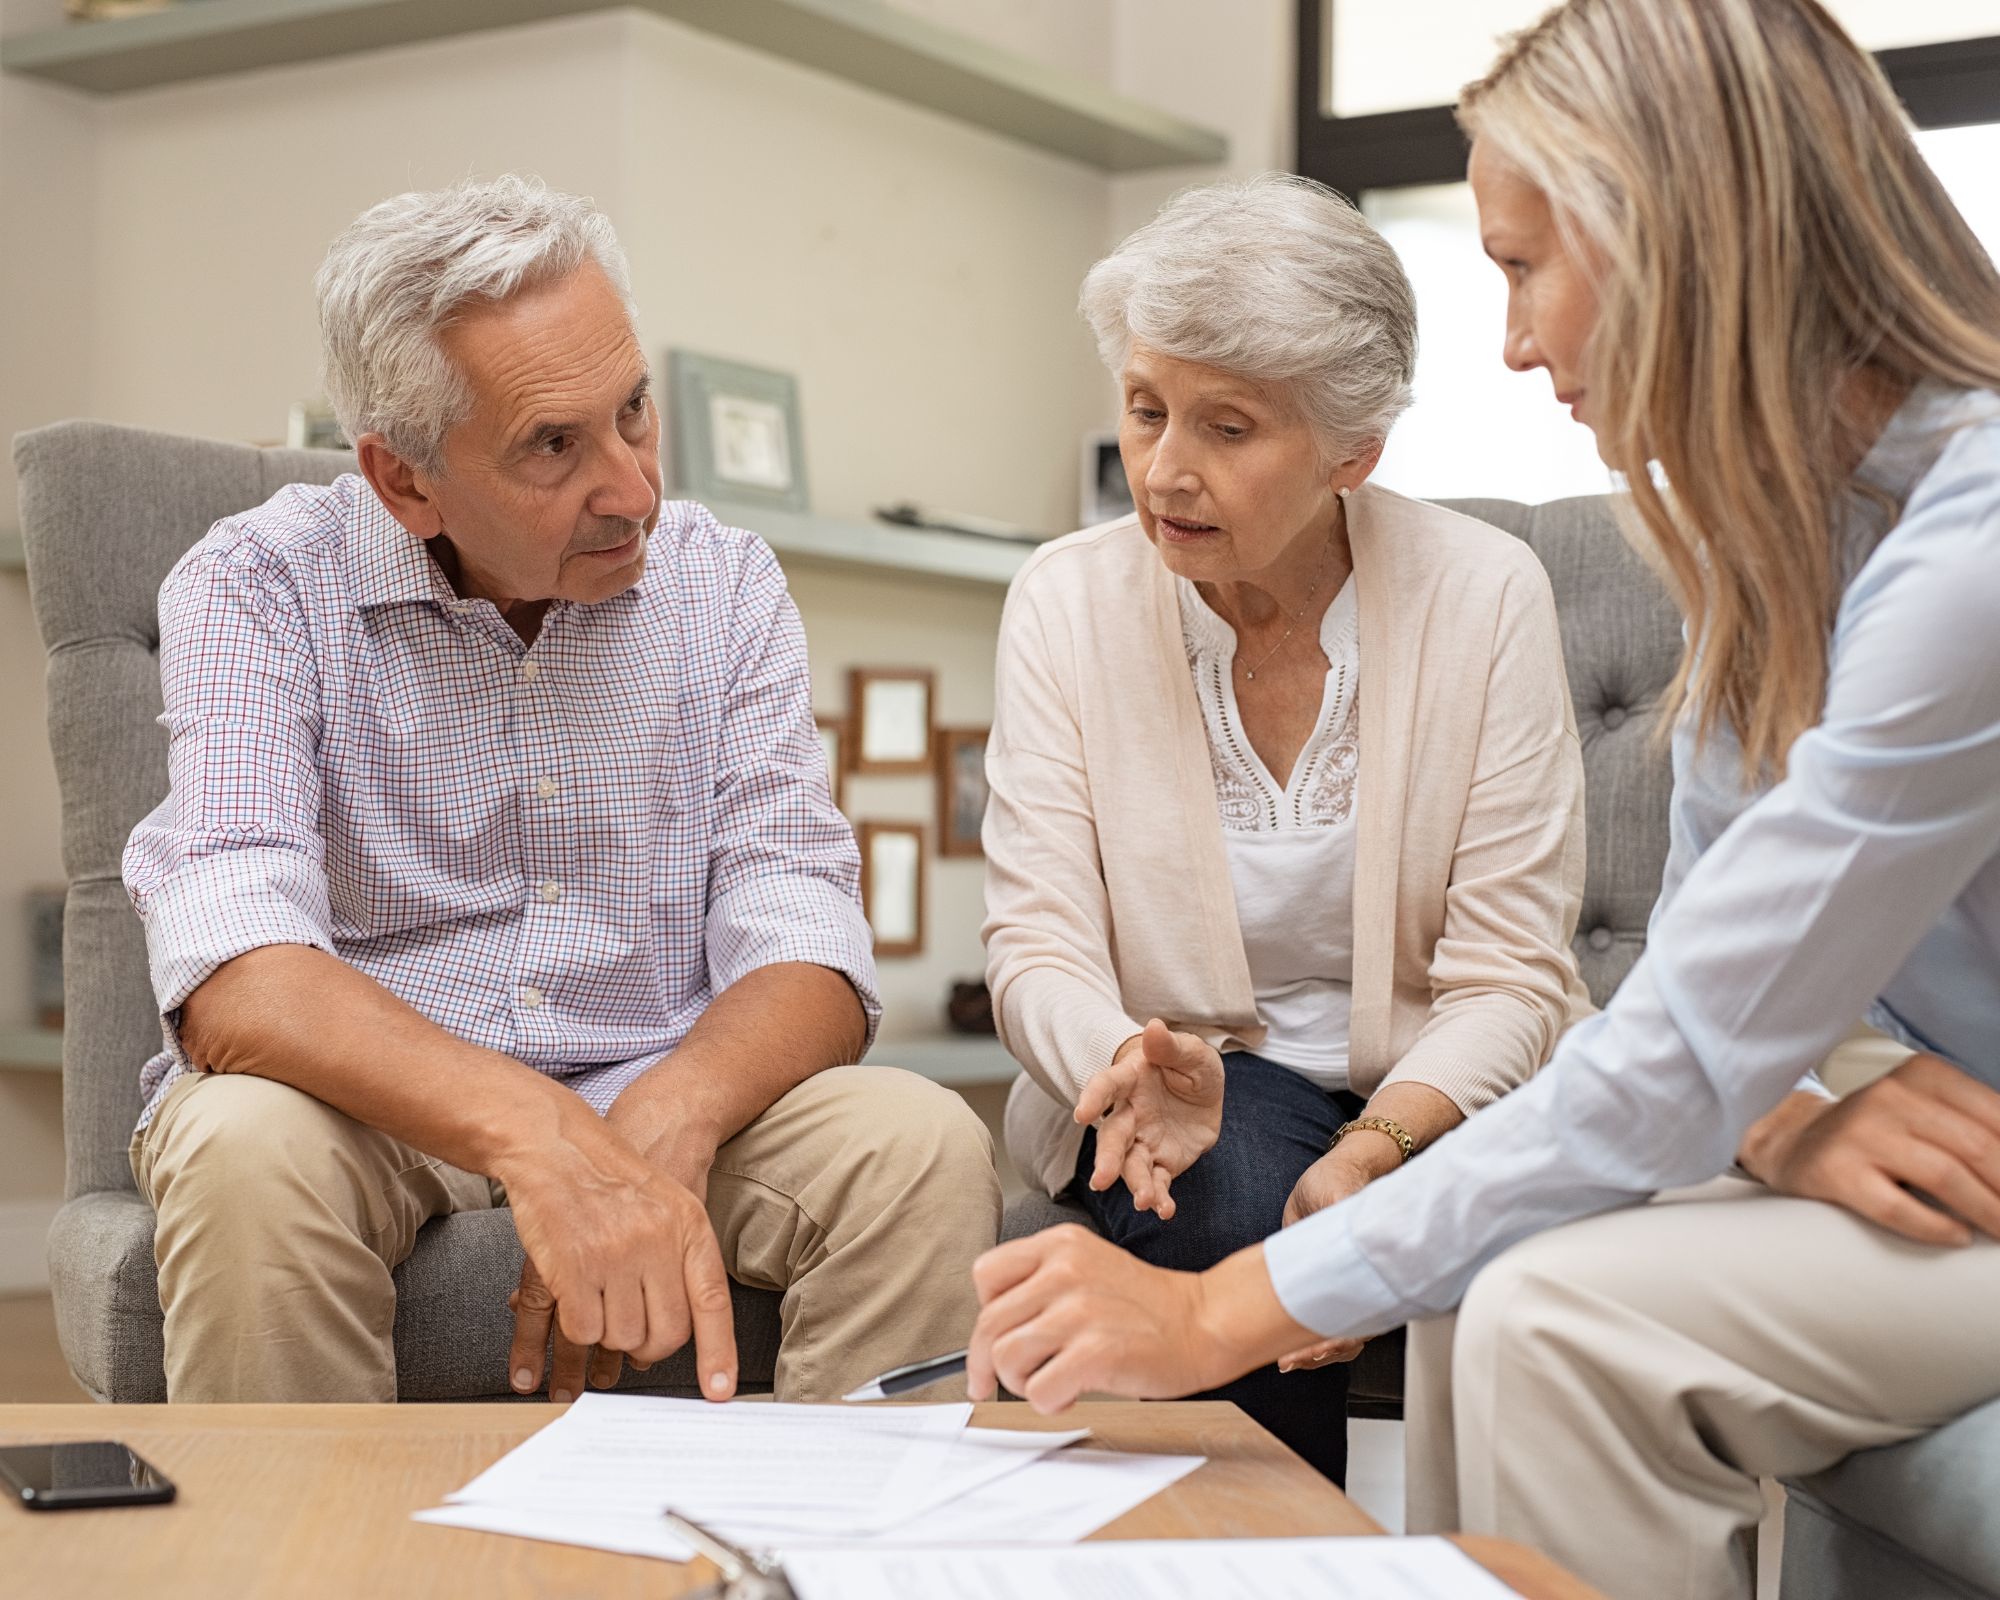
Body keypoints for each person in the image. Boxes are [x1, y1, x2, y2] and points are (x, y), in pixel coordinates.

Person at [966, 3, 2000, 1594]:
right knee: (1483, 1273)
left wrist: (1219, 1312)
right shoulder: (1774, 551)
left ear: (1677, 248)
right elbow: (1704, 994)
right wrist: (1787, 1123)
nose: (1512, 342)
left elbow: (1661, 1037)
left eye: (1522, 266)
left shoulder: (1974, 547)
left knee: (1545, 1315)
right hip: (1957, 1137)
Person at [124, 176, 1000, 1405]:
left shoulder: (725, 585)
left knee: (916, 1144)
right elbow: (237, 972)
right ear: (404, 480)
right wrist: (539, 1141)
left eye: (633, 411)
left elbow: (806, 933)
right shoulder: (256, 587)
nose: (634, 488)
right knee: (242, 1149)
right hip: (360, 1111)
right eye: (553, 445)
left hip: (654, 1073)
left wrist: (670, 1115)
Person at [981, 173, 1592, 1483]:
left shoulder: (1484, 597)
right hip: (1185, 1091)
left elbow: (1511, 977)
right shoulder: (1065, 602)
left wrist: (1378, 1146)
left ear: (1350, 451)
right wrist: (1126, 1068)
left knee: (1501, 1221)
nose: (1165, 470)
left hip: (1444, 1089)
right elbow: (1037, 945)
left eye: (1230, 427)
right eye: (1146, 410)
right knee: (1229, 1189)